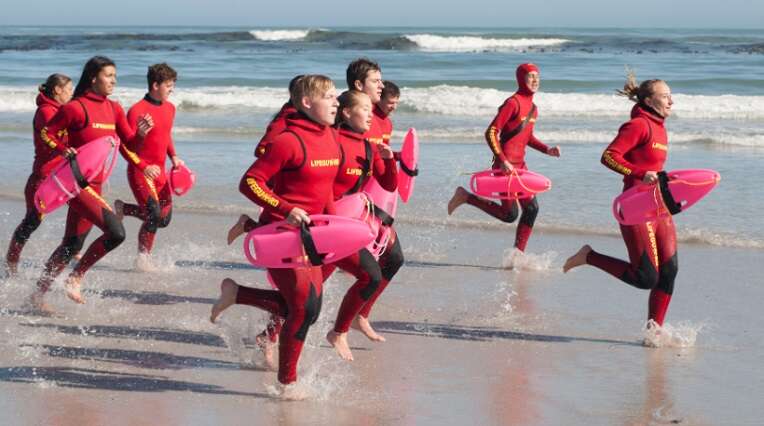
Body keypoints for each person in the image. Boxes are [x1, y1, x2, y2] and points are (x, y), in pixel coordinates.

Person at [210, 75, 341, 398]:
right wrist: (285, 208)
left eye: (337, 96)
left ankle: (236, 293)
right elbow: (251, 183)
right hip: (281, 235)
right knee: (300, 306)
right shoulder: (287, 141)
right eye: (329, 96)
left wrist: (335, 230)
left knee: (310, 307)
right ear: (307, 102)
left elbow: (325, 191)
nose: (337, 102)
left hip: (312, 237)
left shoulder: (331, 138)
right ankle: (287, 383)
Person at [29, 56, 153, 312]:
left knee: (71, 244)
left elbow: (129, 145)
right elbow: (46, 133)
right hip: (76, 183)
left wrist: (140, 135)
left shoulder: (115, 108)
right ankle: (76, 277)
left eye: (115, 77)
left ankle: (37, 294)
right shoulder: (75, 107)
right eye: (109, 76)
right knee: (116, 232)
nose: (113, 81)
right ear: (93, 77)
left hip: (95, 185)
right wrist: (63, 149)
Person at [563, 73, 677, 332]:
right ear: (649, 101)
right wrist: (639, 173)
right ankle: (589, 257)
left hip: (659, 206)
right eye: (665, 96)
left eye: (671, 95)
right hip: (636, 206)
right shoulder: (638, 125)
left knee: (669, 271)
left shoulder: (659, 125)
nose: (672, 101)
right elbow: (609, 157)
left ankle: (654, 333)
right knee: (646, 278)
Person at [447, 63, 560, 256]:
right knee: (510, 215)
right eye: (530, 76)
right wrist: (503, 160)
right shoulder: (512, 103)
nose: (535, 80)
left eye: (537, 77)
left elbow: (527, 137)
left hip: (520, 167)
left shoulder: (533, 108)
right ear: (521, 79)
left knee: (531, 208)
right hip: (504, 166)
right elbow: (491, 132)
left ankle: (518, 255)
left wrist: (547, 149)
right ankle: (465, 197)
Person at [323, 90, 397, 360]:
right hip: (323, 225)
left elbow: (389, 184)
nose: (370, 113)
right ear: (346, 112)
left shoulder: (366, 146)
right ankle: (338, 332)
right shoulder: (331, 141)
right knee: (306, 296)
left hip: (344, 226)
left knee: (310, 294)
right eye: (364, 108)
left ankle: (339, 331)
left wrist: (389, 160)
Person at [343, 58, 405, 341]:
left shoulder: (380, 121)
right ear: (359, 85)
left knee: (393, 259)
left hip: (367, 207)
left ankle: (360, 315)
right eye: (375, 81)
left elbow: (385, 178)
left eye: (381, 81)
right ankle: (270, 334)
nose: (382, 85)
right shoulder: (344, 120)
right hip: (341, 210)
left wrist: (391, 160)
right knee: (312, 281)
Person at [114, 63, 183, 270]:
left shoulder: (170, 108)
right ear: (155, 85)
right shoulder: (137, 111)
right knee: (153, 214)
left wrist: (174, 156)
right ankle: (143, 258)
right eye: (169, 85)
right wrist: (143, 166)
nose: (172, 89)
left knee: (164, 218)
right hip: (140, 171)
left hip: (160, 171)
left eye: (173, 85)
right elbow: (125, 147)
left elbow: (165, 134)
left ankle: (123, 208)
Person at [4, 74, 73, 276]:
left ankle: (73, 249)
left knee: (81, 209)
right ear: (57, 90)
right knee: (32, 221)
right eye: (68, 88)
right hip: (44, 177)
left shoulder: (61, 111)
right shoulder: (46, 111)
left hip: (63, 175)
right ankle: (11, 259)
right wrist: (65, 149)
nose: (71, 92)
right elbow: (50, 137)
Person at [226, 75, 304, 245]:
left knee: (284, 229)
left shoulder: (300, 118)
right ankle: (247, 226)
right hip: (278, 182)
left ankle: (247, 225)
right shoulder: (284, 120)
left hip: (293, 180)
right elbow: (261, 148)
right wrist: (281, 162)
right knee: (281, 230)